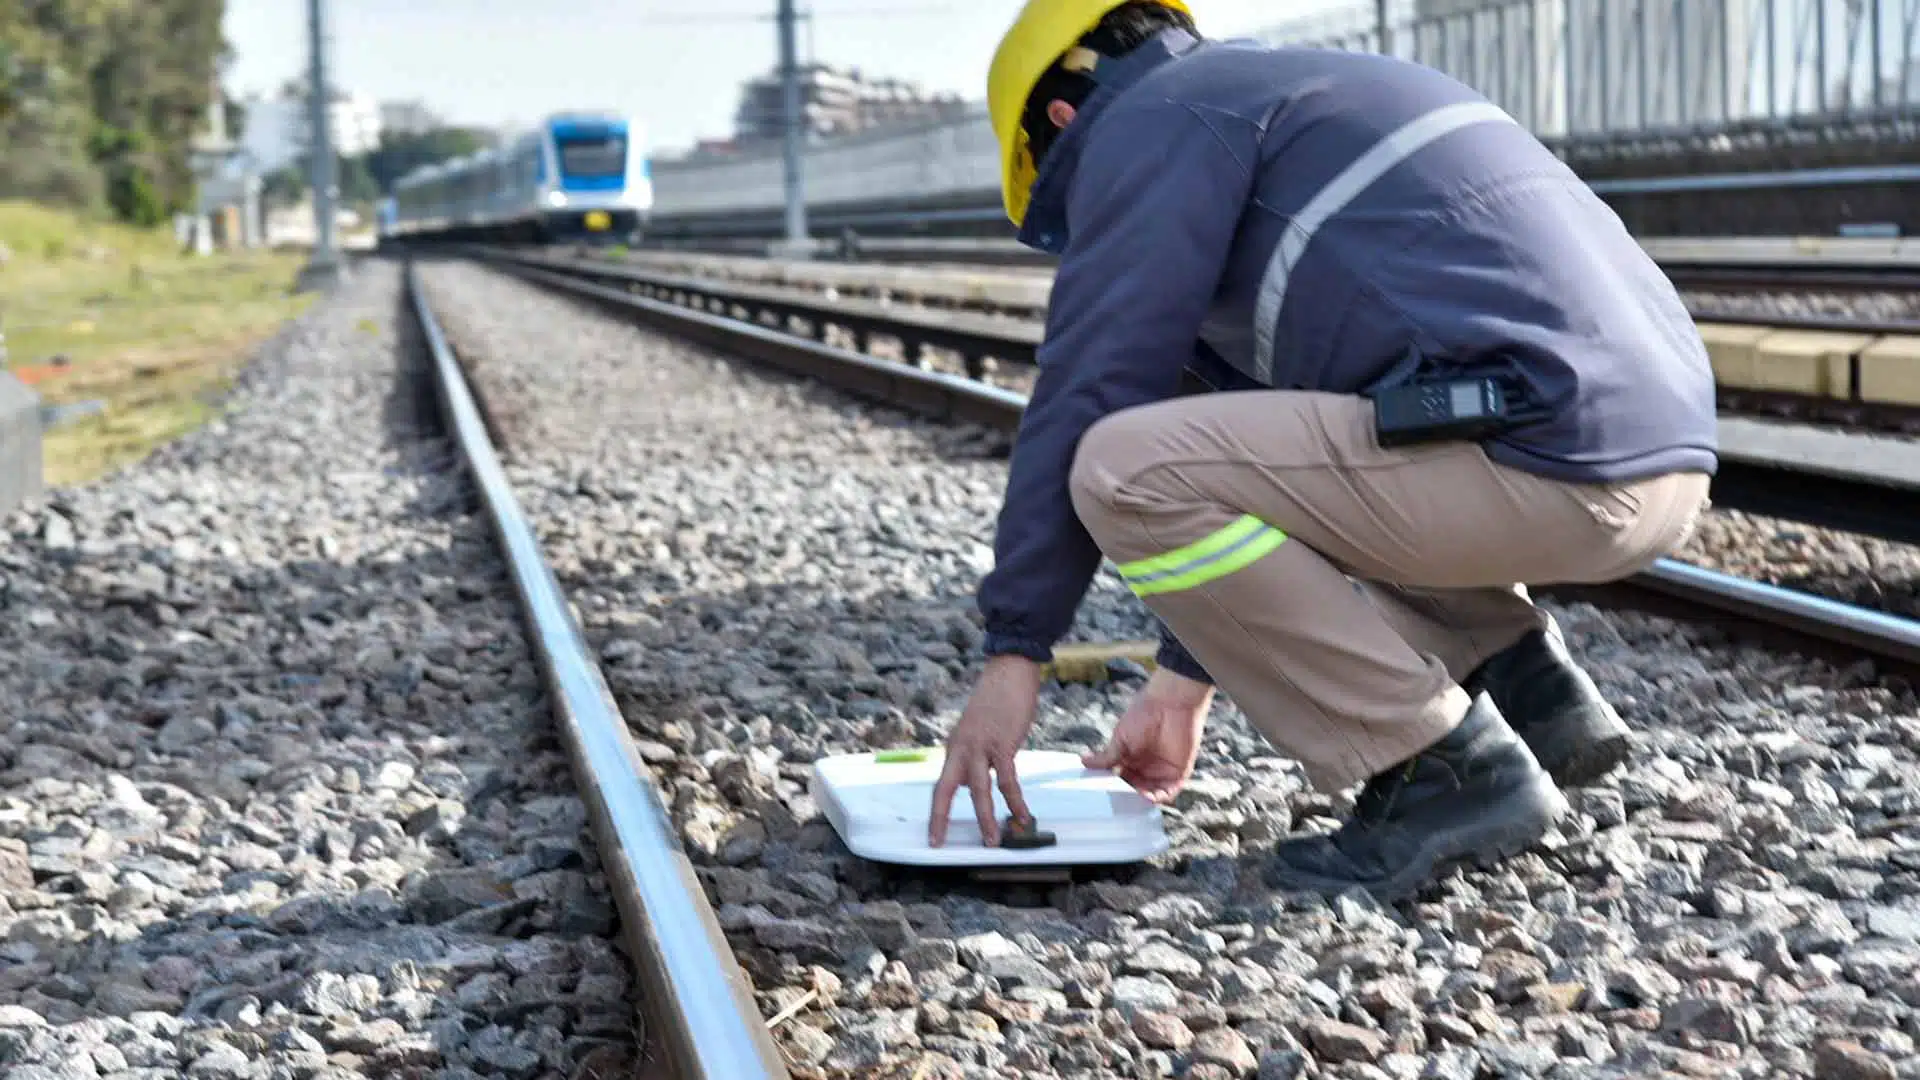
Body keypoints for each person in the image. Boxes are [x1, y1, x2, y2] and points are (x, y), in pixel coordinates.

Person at [925, 0, 1718, 901]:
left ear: (1062, 119)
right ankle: (1528, 691)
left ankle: (1441, 770)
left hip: (1534, 460)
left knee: (1119, 467)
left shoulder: (1157, 121)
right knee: (1307, 434)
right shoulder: (1297, 95)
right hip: (1657, 465)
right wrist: (1182, 683)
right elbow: (1269, 453)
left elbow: (1091, 382)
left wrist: (1013, 655)